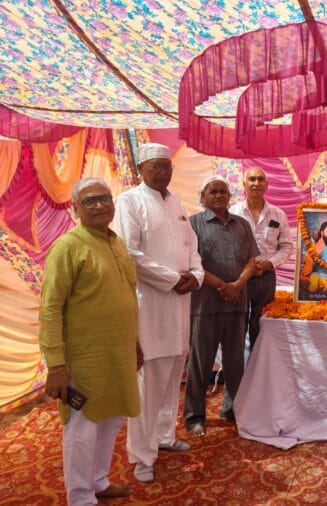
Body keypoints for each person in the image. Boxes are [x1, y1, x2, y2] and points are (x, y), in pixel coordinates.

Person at [39, 178, 140, 504]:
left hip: (118, 354)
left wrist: (135, 344)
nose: (99, 205)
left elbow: (126, 298)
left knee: (110, 421)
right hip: (84, 360)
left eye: (104, 198)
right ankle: (80, 497)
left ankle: (98, 481)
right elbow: (50, 308)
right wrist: (56, 366)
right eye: (90, 201)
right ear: (76, 209)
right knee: (82, 429)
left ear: (113, 202)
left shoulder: (116, 242)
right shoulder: (68, 247)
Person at [113, 143, 204, 484]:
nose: (163, 172)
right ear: (141, 168)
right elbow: (129, 253)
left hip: (180, 305)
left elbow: (192, 247)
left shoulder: (176, 202)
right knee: (147, 386)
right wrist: (172, 279)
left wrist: (195, 276)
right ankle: (142, 455)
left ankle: (165, 437)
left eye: (167, 166)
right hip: (150, 306)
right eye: (156, 166)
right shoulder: (129, 201)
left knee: (171, 379)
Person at [184, 176, 258, 435]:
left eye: (223, 191)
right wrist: (223, 287)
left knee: (235, 361)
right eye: (213, 191)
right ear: (203, 197)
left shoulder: (242, 224)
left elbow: (252, 260)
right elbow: (192, 263)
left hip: (237, 304)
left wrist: (237, 285)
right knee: (200, 362)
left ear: (229, 195)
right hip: (205, 304)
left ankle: (233, 409)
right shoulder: (193, 224)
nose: (218, 195)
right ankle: (194, 416)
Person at [230, 166, 293, 351]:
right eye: (252, 179)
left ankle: (259, 364)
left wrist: (269, 263)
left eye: (260, 179)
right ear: (244, 184)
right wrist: (245, 268)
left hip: (266, 278)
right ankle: (237, 366)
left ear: (267, 184)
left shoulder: (278, 214)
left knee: (262, 324)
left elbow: (287, 246)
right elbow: (227, 245)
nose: (256, 183)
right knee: (237, 323)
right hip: (239, 278)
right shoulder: (233, 212)